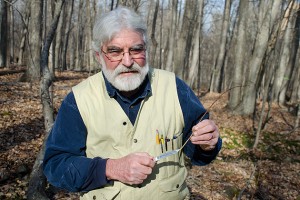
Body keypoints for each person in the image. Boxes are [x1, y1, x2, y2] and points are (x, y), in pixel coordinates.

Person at [43, 6, 222, 200]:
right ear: (99, 56)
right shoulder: (79, 99)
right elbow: (56, 165)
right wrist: (110, 168)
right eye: (115, 51)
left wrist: (207, 145)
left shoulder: (175, 88)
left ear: (146, 49)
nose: (127, 61)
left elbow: (197, 151)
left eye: (136, 50)